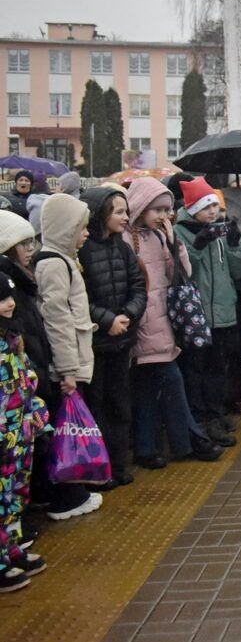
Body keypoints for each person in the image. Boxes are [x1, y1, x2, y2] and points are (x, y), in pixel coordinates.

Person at [124, 178, 223, 467]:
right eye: (157, 210)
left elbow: (182, 272)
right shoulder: (126, 240)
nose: (163, 216)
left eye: (167, 210)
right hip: (144, 324)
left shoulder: (158, 236)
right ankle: (190, 440)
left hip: (163, 322)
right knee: (172, 381)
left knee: (149, 389)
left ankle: (147, 448)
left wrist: (173, 243)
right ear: (140, 207)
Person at [34, 193, 105, 519]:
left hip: (72, 362)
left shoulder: (61, 259)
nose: (86, 233)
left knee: (67, 428)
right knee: (67, 431)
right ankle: (67, 496)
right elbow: (57, 320)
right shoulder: (54, 264)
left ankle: (70, 490)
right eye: (80, 228)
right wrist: (67, 370)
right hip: (67, 366)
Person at [78, 186, 148, 489]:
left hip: (122, 341)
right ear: (99, 214)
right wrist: (107, 321)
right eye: (118, 212)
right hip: (95, 343)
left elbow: (138, 286)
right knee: (97, 405)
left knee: (120, 403)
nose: (125, 217)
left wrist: (128, 316)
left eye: (126, 211)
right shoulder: (81, 250)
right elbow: (79, 297)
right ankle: (99, 468)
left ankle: (118, 464)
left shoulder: (122, 248)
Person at [175, 177, 241, 446]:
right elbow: (183, 272)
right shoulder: (180, 232)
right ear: (193, 208)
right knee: (196, 371)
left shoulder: (220, 230)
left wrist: (234, 243)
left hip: (223, 314)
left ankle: (215, 415)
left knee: (218, 370)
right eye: (206, 206)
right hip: (196, 317)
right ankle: (200, 420)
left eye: (215, 206)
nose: (213, 211)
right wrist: (197, 245)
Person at [0, 271, 49, 592]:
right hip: (3, 434)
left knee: (16, 495)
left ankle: (11, 547)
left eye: (9, 297)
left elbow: (26, 378)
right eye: (2, 299)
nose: (9, 303)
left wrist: (36, 412)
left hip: (20, 432)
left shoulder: (12, 337)